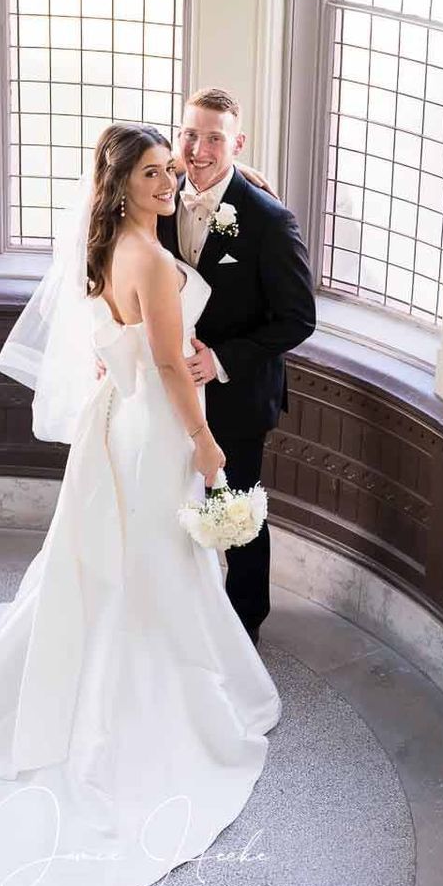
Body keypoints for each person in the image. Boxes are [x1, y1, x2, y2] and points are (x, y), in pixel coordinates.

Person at [0, 123, 282, 886]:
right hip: (155, 426)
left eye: (173, 173)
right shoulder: (156, 264)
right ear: (125, 183)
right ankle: (149, 703)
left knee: (129, 559)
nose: (170, 185)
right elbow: (167, 362)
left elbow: (115, 346)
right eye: (156, 175)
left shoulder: (104, 250)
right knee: (155, 562)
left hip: (115, 419)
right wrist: (203, 441)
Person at [158, 88, 318, 643]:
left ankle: (242, 628)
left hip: (236, 393)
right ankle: (180, 611)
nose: (198, 149)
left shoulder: (267, 220)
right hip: (167, 389)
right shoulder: (158, 195)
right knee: (170, 499)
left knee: (237, 512)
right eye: (190, 134)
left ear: (237, 143)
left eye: (214, 138)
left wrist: (220, 360)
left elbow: (298, 319)